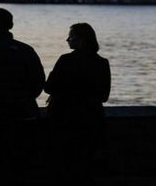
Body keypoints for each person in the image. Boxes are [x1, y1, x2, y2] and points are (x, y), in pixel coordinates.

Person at [44, 23, 111, 184]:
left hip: (63, 119)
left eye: (71, 36)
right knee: (85, 165)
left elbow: (49, 87)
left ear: (80, 40)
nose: (67, 39)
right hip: (91, 119)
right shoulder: (102, 63)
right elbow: (104, 95)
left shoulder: (66, 60)